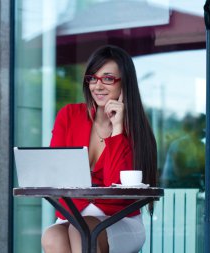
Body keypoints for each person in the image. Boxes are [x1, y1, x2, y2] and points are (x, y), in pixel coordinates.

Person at [41, 45, 157, 253]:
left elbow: (118, 191)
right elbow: (55, 173)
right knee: (52, 236)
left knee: (82, 231)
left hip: (120, 219)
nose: (98, 86)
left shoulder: (135, 130)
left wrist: (118, 129)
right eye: (93, 78)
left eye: (108, 78)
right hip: (74, 215)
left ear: (125, 83)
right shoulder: (69, 115)